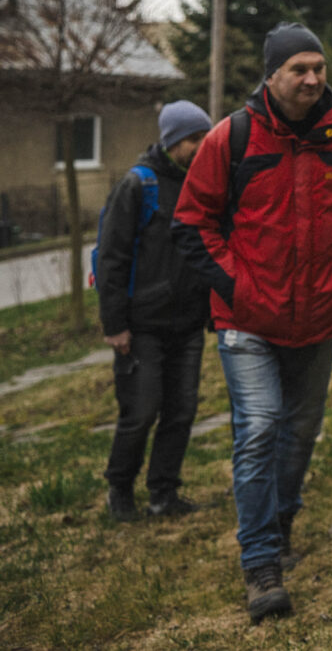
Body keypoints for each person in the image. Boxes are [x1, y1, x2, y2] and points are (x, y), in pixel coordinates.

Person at [173, 22, 332, 624]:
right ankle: (261, 564)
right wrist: (238, 286)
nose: (313, 79)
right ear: (272, 75)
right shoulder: (230, 139)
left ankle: (282, 516)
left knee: (301, 429)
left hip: (321, 313)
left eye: (319, 68)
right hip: (247, 320)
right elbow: (192, 223)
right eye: (300, 69)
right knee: (261, 427)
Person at [98, 99, 213, 522]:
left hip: (187, 324)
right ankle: (120, 491)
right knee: (141, 412)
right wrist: (115, 325)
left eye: (206, 136)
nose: (203, 145)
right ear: (173, 141)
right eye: (194, 139)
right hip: (142, 325)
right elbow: (112, 257)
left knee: (182, 412)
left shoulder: (202, 183)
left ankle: (164, 494)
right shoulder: (138, 185)